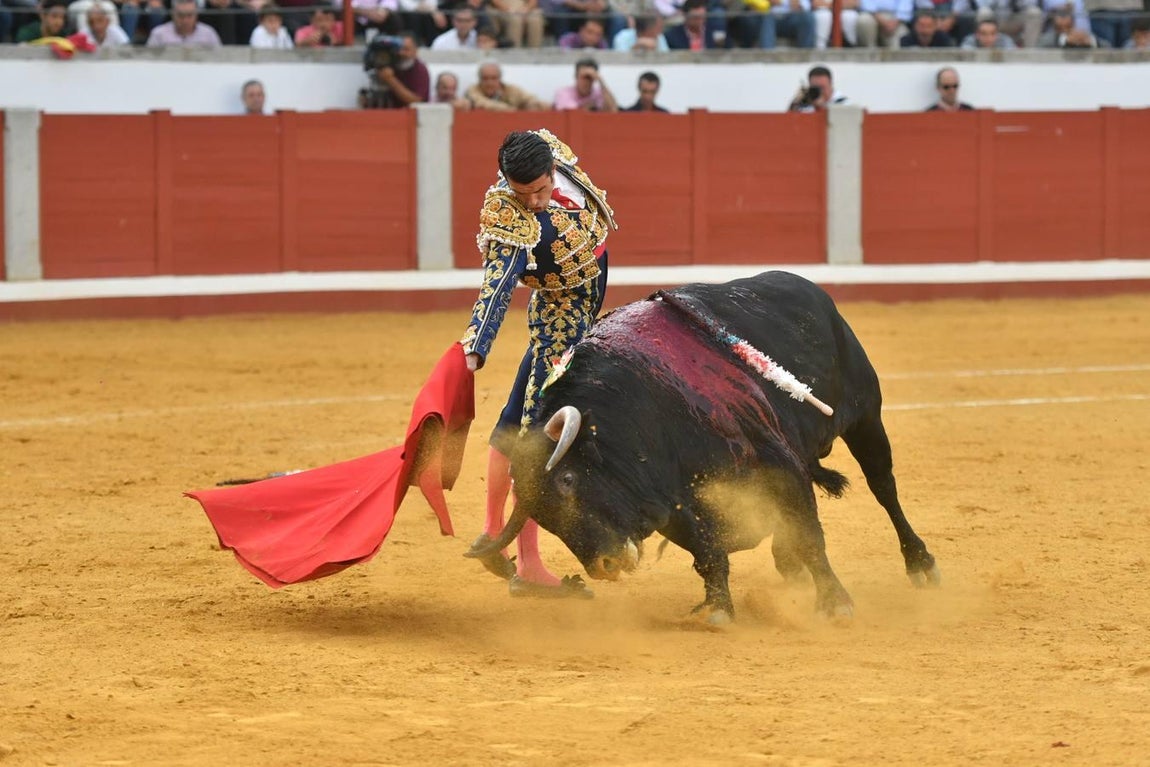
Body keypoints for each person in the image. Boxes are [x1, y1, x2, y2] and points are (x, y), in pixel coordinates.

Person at [461, 129, 617, 598]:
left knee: (516, 416)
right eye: (521, 193)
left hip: (582, 310)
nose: (532, 202)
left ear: (553, 170)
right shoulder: (507, 218)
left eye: (541, 190)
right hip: (561, 321)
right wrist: (477, 345)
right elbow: (498, 283)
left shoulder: (555, 156)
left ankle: (493, 530)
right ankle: (527, 563)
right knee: (538, 438)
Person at [465, 61, 548, 111]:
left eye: (494, 78)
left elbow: (531, 99)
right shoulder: (473, 90)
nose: (490, 82)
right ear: (480, 79)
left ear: (499, 78)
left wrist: (534, 104)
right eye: (485, 78)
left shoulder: (511, 90)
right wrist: (510, 109)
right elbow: (482, 103)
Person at [553, 57, 619, 111]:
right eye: (583, 77)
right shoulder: (564, 93)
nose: (586, 82)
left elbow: (613, 110)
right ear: (576, 76)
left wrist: (601, 81)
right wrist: (587, 107)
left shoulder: (599, 93)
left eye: (589, 77)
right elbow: (569, 113)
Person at [146, 0, 223, 45]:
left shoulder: (208, 34)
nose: (185, 20)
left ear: (196, 15)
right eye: (181, 15)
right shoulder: (159, 34)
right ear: (173, 15)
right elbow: (148, 62)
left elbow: (220, 60)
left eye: (189, 15)